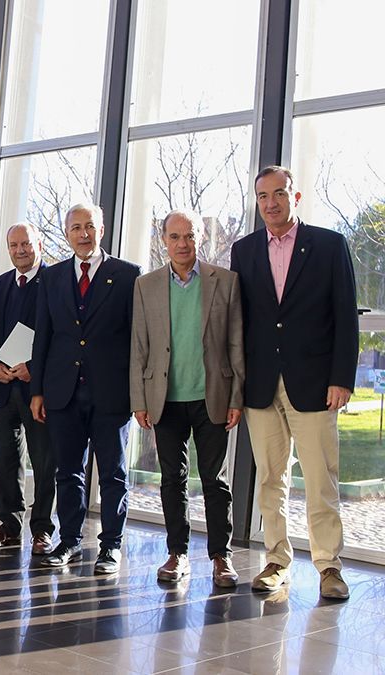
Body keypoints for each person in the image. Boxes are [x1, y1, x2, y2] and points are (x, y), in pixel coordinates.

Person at [230, 165, 357, 601]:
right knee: (270, 477)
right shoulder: (243, 250)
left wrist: (342, 377)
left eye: (279, 194)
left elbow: (345, 316)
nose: (271, 203)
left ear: (295, 197)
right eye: (262, 196)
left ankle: (328, 566)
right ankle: (276, 561)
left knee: (322, 478)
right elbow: (239, 322)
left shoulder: (328, 245)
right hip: (261, 385)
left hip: (316, 383)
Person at [130, 210, 243, 587]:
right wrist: (139, 400)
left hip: (212, 394)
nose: (182, 244)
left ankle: (221, 557)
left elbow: (235, 343)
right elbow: (139, 347)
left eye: (190, 236)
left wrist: (237, 396)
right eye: (175, 236)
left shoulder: (224, 282)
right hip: (165, 398)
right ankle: (176, 553)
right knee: (172, 479)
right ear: (163, 239)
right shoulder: (146, 285)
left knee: (215, 480)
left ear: (200, 238)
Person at [30, 203, 140, 574]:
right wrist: (38, 391)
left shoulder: (127, 275)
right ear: (66, 232)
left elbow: (136, 339)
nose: (83, 233)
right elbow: (43, 336)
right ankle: (71, 540)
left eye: (89, 226)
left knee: (112, 473)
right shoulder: (53, 276)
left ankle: (111, 546)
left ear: (102, 229)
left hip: (110, 391)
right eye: (76, 227)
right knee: (68, 471)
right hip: (63, 391)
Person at [0, 223, 56, 555]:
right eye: (14, 245)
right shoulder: (1, 284)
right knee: (6, 461)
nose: (20, 250)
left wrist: (34, 369)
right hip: (6, 387)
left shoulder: (54, 281)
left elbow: (60, 335)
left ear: (37, 244)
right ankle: (9, 526)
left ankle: (42, 529)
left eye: (26, 243)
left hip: (37, 390)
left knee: (43, 462)